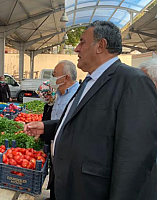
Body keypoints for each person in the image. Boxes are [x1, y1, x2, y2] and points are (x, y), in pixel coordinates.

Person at [24, 21, 157, 200]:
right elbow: (82, 124)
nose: (77, 49)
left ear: (100, 46)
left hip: (92, 191)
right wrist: (46, 127)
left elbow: (134, 157)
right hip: (68, 186)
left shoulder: (132, 81)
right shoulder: (89, 81)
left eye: (82, 42)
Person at [39, 60, 79, 200]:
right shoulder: (59, 94)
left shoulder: (78, 96)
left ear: (66, 77)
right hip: (54, 144)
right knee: (55, 176)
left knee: (66, 181)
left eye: (55, 75)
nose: (52, 79)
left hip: (68, 149)